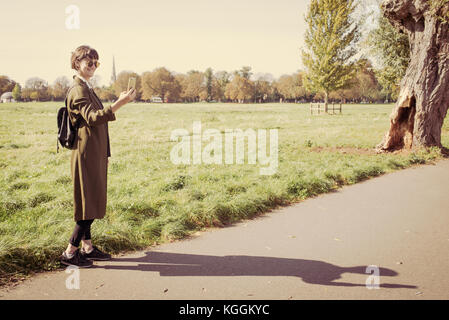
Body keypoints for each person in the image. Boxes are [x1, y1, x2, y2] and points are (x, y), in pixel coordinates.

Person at [60, 45, 136, 268]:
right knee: (89, 203)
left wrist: (105, 154)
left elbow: (97, 125)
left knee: (90, 200)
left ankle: (88, 248)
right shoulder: (78, 90)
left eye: (96, 63)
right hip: (86, 154)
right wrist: (119, 104)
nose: (93, 66)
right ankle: (69, 253)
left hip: (94, 153)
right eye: (88, 62)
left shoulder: (87, 87)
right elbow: (93, 118)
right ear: (77, 64)